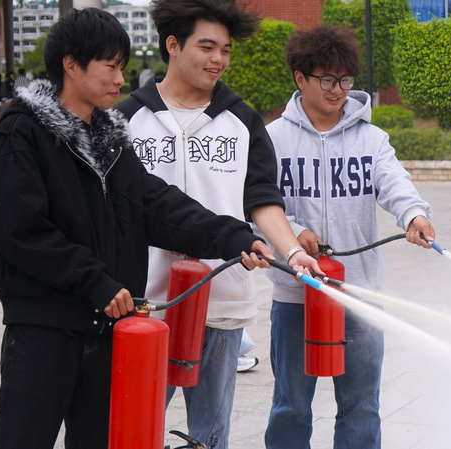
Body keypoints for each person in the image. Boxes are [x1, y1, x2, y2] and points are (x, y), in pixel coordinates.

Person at [0, 8, 274, 449]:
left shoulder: (110, 142)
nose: (119, 79)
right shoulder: (20, 137)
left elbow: (159, 207)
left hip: (107, 330)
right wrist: (95, 281)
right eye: (110, 66)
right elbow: (21, 233)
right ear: (71, 64)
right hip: (44, 331)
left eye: (122, 67)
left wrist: (234, 237)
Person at [115, 1, 323, 448]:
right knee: (134, 430)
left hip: (222, 298)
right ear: (173, 45)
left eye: (225, 50)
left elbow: (262, 201)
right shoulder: (127, 119)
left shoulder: (242, 121)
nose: (219, 59)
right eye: (207, 47)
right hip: (147, 306)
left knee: (209, 436)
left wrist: (292, 251)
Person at [263, 25, 437, 449]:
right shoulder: (272, 139)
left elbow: (394, 182)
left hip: (360, 294)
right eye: (326, 79)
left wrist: (414, 214)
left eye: (344, 80)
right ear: (300, 78)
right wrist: (295, 233)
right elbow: (259, 208)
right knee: (290, 406)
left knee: (361, 406)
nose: (338, 90)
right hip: (295, 296)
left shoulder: (372, 139)